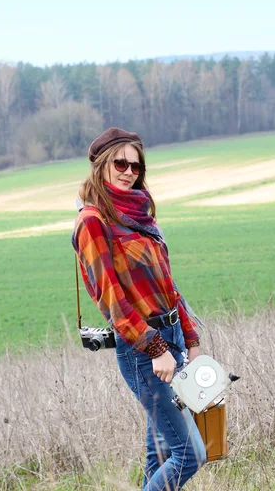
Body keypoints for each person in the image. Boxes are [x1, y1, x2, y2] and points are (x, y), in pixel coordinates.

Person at [71, 127, 207, 490]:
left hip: (172, 335)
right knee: (191, 453)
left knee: (161, 452)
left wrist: (190, 339)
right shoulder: (93, 222)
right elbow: (112, 300)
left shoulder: (140, 216)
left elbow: (167, 284)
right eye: (120, 163)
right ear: (101, 165)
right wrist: (157, 348)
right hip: (144, 349)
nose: (129, 171)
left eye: (136, 166)